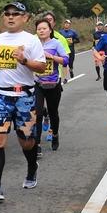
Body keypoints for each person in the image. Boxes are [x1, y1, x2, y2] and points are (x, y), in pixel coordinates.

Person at [0, 1, 46, 202]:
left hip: (24, 97)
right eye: (7, 13)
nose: (10, 17)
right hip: (0, 96)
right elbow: (0, 61)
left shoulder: (32, 40)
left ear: (25, 18)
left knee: (26, 142)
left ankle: (32, 167)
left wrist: (24, 60)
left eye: (15, 13)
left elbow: (41, 67)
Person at [34, 18, 68, 151]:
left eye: (44, 28)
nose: (41, 31)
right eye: (39, 29)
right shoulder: (34, 44)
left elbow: (65, 60)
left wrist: (51, 57)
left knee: (53, 112)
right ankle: (36, 143)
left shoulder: (56, 43)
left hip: (53, 84)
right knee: (37, 113)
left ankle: (55, 134)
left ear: (50, 30)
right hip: (38, 83)